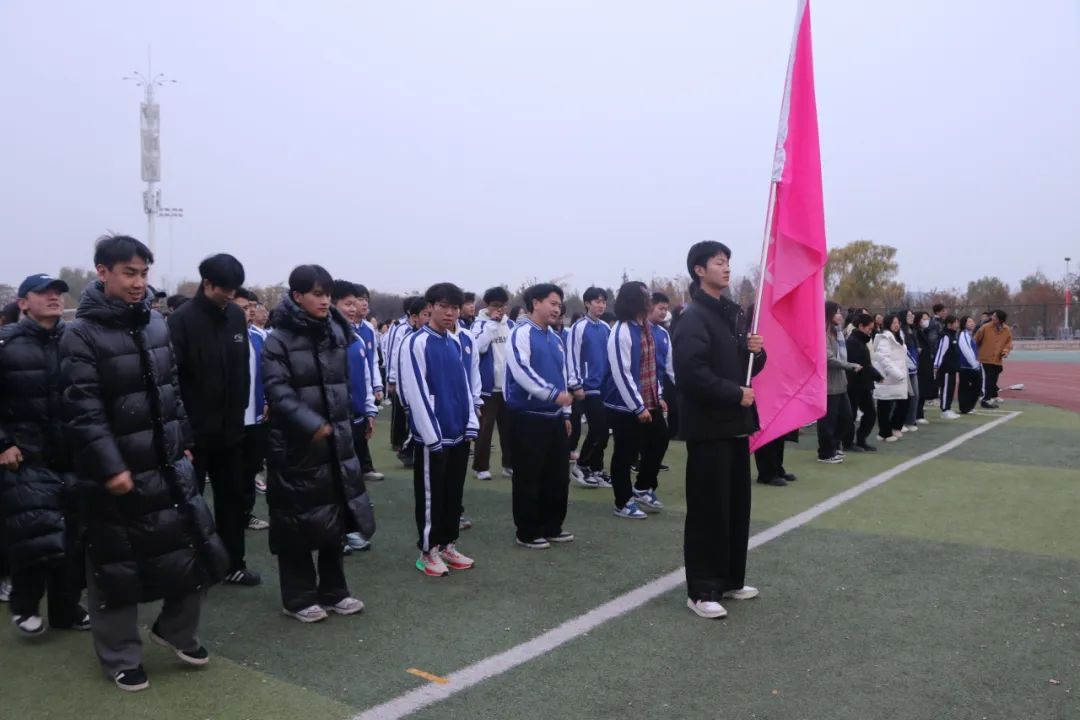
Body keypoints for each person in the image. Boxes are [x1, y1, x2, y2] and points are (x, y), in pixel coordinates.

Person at [61, 235, 228, 692]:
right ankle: (120, 655)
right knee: (115, 565)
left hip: (167, 463)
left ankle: (176, 631)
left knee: (196, 548)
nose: (139, 283)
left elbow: (172, 390)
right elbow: (84, 411)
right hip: (114, 473)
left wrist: (184, 439)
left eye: (143, 273)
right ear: (102, 272)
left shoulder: (155, 323)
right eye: (129, 273)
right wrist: (110, 467)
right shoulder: (80, 334)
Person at [262, 265, 372, 623]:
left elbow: (345, 384)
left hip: (335, 441)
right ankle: (297, 598)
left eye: (328, 295)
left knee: (333, 518)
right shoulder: (278, 339)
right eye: (317, 294)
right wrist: (311, 425)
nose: (325, 301)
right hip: (295, 445)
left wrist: (347, 420)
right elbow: (277, 391)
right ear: (297, 296)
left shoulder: (335, 332)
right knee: (295, 522)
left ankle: (334, 591)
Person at [675, 241, 766, 620]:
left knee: (735, 508)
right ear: (699, 270)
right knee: (708, 511)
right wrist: (734, 394)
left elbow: (745, 369)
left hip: (735, 427)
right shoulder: (693, 317)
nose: (726, 268)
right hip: (708, 428)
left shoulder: (731, 315)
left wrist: (756, 352)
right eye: (718, 262)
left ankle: (729, 579)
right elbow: (690, 373)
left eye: (728, 262)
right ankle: (702, 590)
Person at [0, 273, 89, 636]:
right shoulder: (6, 343)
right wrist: (3, 443)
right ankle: (25, 606)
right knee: (35, 535)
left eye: (58, 292)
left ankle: (66, 609)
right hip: (25, 456)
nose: (54, 297)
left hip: (71, 453)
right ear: (23, 303)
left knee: (74, 537)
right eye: (43, 293)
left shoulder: (76, 340)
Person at [167, 253, 260, 587]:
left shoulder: (235, 316)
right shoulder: (181, 321)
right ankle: (191, 567)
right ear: (207, 284)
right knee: (189, 504)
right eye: (225, 290)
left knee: (232, 499)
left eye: (235, 290)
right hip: (193, 434)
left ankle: (232, 564)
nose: (231, 296)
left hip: (232, 429)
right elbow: (172, 380)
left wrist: (240, 412)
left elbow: (242, 369)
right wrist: (182, 433)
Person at [399, 283, 479, 576]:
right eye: (443, 306)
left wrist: (470, 423)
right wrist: (431, 436)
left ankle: (447, 545)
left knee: (453, 494)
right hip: (434, 438)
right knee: (431, 497)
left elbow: (464, 386)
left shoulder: (454, 342)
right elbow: (415, 392)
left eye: (454, 307)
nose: (450, 313)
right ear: (430, 307)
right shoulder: (416, 343)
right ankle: (428, 550)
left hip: (458, 433)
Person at [504, 283, 575, 549]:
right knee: (529, 476)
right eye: (552, 303)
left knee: (557, 475)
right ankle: (528, 531)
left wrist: (565, 412)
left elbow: (563, 375)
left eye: (559, 304)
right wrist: (551, 394)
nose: (557, 309)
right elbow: (521, 371)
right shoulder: (521, 333)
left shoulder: (555, 338)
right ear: (536, 303)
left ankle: (552, 526)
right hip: (527, 416)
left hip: (554, 417)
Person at [604, 282, 670, 518]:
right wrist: (637, 406)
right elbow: (621, 373)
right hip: (625, 404)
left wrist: (657, 395)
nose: (649, 300)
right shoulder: (621, 330)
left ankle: (642, 487)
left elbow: (651, 367)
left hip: (649, 400)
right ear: (633, 301)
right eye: (645, 296)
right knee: (625, 452)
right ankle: (622, 501)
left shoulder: (646, 328)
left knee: (660, 440)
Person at [331, 280, 379, 554]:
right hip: (334, 422)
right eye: (347, 304)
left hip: (357, 418)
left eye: (355, 303)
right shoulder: (324, 340)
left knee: (353, 478)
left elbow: (367, 377)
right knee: (333, 479)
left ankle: (349, 529)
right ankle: (334, 533)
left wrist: (370, 410)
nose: (352, 309)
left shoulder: (357, 339)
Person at [232, 289, 270, 526]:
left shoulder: (259, 337)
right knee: (231, 472)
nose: (250, 311)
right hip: (231, 418)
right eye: (244, 308)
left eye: (251, 307)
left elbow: (267, 372)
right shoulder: (222, 335)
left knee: (251, 467)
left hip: (256, 416)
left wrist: (266, 400)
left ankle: (246, 514)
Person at [567, 287, 611, 488]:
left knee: (603, 431)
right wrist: (576, 384)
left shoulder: (605, 327)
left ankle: (596, 469)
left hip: (604, 387)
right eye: (597, 301)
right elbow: (572, 356)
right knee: (598, 429)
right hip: (587, 387)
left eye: (603, 302)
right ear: (587, 303)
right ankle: (582, 466)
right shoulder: (579, 327)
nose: (601, 305)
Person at [471, 286, 514, 481]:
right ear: (487, 305)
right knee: (484, 430)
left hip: (507, 387)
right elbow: (478, 348)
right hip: (487, 388)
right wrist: (492, 324)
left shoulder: (511, 325)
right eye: (495, 305)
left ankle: (509, 465)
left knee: (510, 429)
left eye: (503, 305)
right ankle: (481, 467)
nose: (500, 309)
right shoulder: (479, 324)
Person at [818, 301, 858, 464]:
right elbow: (828, 359)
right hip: (829, 384)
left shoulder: (837, 332)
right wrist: (849, 366)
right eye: (836, 312)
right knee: (828, 420)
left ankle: (834, 445)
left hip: (840, 383)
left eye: (840, 312)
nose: (840, 315)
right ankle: (825, 452)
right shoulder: (823, 333)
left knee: (847, 417)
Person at [844, 313, 883, 452]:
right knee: (851, 415)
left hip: (864, 384)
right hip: (854, 384)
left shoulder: (861, 341)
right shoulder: (852, 342)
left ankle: (861, 439)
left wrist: (876, 375)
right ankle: (848, 443)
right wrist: (876, 375)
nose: (870, 331)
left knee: (870, 413)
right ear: (861, 326)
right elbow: (860, 365)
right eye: (869, 328)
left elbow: (866, 364)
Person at [871, 314, 911, 443]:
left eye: (898, 322)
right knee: (884, 405)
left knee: (904, 402)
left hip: (899, 377)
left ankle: (895, 427)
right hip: (888, 377)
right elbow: (884, 360)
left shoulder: (898, 337)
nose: (896, 325)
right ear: (888, 324)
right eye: (894, 322)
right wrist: (897, 374)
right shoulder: (884, 338)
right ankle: (885, 433)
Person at [650, 292, 678, 441]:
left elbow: (670, 366)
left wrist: (681, 385)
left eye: (666, 309)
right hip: (642, 392)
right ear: (650, 306)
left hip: (658, 391)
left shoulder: (664, 334)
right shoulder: (639, 330)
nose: (663, 312)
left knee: (659, 439)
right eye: (660, 308)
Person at [975, 310, 1013, 408]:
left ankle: (990, 397)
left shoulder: (1006, 330)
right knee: (986, 379)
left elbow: (1008, 343)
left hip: (997, 359)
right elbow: (976, 340)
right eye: (993, 316)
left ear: (1000, 320)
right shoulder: (985, 327)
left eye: (995, 317)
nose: (992, 318)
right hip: (984, 358)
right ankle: (985, 399)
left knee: (993, 379)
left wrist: (1005, 352)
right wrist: (975, 354)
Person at [934, 315, 962, 419]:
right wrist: (936, 366)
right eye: (955, 322)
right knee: (946, 389)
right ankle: (944, 410)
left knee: (951, 388)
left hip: (952, 369)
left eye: (958, 322)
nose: (957, 324)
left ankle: (948, 408)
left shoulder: (953, 335)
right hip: (946, 369)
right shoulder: (946, 336)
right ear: (949, 324)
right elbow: (940, 352)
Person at [957, 316, 982, 415]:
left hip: (972, 365)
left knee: (976, 386)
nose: (972, 323)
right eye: (969, 322)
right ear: (964, 324)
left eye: (972, 321)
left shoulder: (970, 335)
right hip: (966, 366)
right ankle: (964, 408)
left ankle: (969, 406)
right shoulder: (963, 334)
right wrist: (974, 364)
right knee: (965, 387)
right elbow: (966, 350)